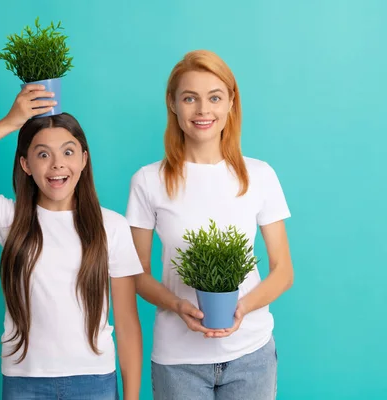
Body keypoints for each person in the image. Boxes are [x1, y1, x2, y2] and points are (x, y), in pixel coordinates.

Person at [0, 84, 143, 400]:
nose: (57, 164)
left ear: (83, 160)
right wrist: (10, 122)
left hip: (94, 381)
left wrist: (132, 397)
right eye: (43, 154)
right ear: (26, 164)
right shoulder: (9, 218)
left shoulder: (112, 226)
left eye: (68, 152)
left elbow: (126, 323)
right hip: (24, 382)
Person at [126, 50, 294, 400]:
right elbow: (137, 275)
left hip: (252, 355)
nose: (203, 111)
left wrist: (242, 308)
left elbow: (283, 271)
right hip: (178, 361)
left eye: (215, 97)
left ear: (231, 102)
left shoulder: (259, 176)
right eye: (190, 98)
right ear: (172, 104)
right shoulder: (148, 181)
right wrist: (177, 306)